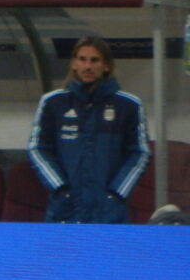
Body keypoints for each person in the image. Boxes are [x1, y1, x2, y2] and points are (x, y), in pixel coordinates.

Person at [28, 35, 150, 224]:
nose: (88, 66)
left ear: (106, 65)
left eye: (95, 60)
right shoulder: (53, 103)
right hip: (65, 209)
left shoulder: (129, 106)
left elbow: (140, 154)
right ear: (73, 64)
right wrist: (60, 188)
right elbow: (37, 149)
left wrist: (116, 193)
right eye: (82, 59)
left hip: (110, 210)